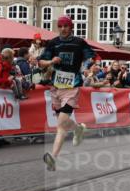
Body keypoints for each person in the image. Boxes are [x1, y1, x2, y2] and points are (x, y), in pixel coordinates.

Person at [37, 15, 95, 171]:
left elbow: (91, 57)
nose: (63, 29)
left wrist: (88, 64)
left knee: (61, 123)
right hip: (56, 87)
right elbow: (41, 62)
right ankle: (78, 129)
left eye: (66, 26)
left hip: (72, 86)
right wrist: (51, 61)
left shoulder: (79, 42)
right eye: (60, 26)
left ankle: (53, 158)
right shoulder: (53, 43)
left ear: (71, 27)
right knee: (62, 123)